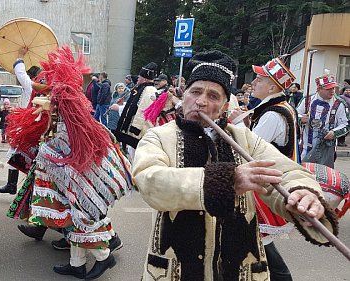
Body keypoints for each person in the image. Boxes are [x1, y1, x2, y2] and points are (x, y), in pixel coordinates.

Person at [132, 50, 337, 281]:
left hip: (240, 270)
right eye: (195, 92)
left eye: (213, 96)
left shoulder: (245, 139)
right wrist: (228, 180)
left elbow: (286, 171)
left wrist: (302, 192)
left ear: (224, 105)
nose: (201, 101)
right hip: (175, 270)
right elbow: (149, 180)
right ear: (184, 95)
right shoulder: (158, 137)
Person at [5, 47, 132, 279]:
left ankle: (105, 256)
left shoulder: (69, 116)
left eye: (52, 102)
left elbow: (62, 146)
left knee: (81, 217)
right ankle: (76, 263)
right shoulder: (69, 107)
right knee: (71, 217)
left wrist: (43, 150)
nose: (48, 104)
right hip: (69, 178)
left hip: (77, 178)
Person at [249, 57, 300, 280]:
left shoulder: (272, 115)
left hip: (264, 185)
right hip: (268, 181)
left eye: (259, 79)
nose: (253, 82)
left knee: (261, 240)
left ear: (272, 86)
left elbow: (249, 148)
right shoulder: (279, 107)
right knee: (255, 241)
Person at [0, 46, 40, 195]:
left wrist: (19, 56)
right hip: (40, 129)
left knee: (17, 154)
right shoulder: (45, 88)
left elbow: (20, 73)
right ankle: (13, 185)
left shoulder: (32, 87)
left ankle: (15, 186)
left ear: (32, 78)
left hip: (32, 128)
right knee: (16, 154)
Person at [297, 73, 349, 168]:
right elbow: (294, 115)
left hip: (327, 149)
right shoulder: (307, 100)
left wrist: (334, 132)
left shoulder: (339, 103)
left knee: (324, 176)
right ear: (319, 89)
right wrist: (301, 118)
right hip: (305, 147)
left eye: (333, 88)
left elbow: (346, 124)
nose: (332, 91)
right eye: (328, 89)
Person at [115, 62, 158, 150]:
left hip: (140, 133)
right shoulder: (142, 88)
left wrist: (135, 129)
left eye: (139, 77)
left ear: (145, 79)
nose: (138, 79)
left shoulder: (149, 90)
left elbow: (143, 111)